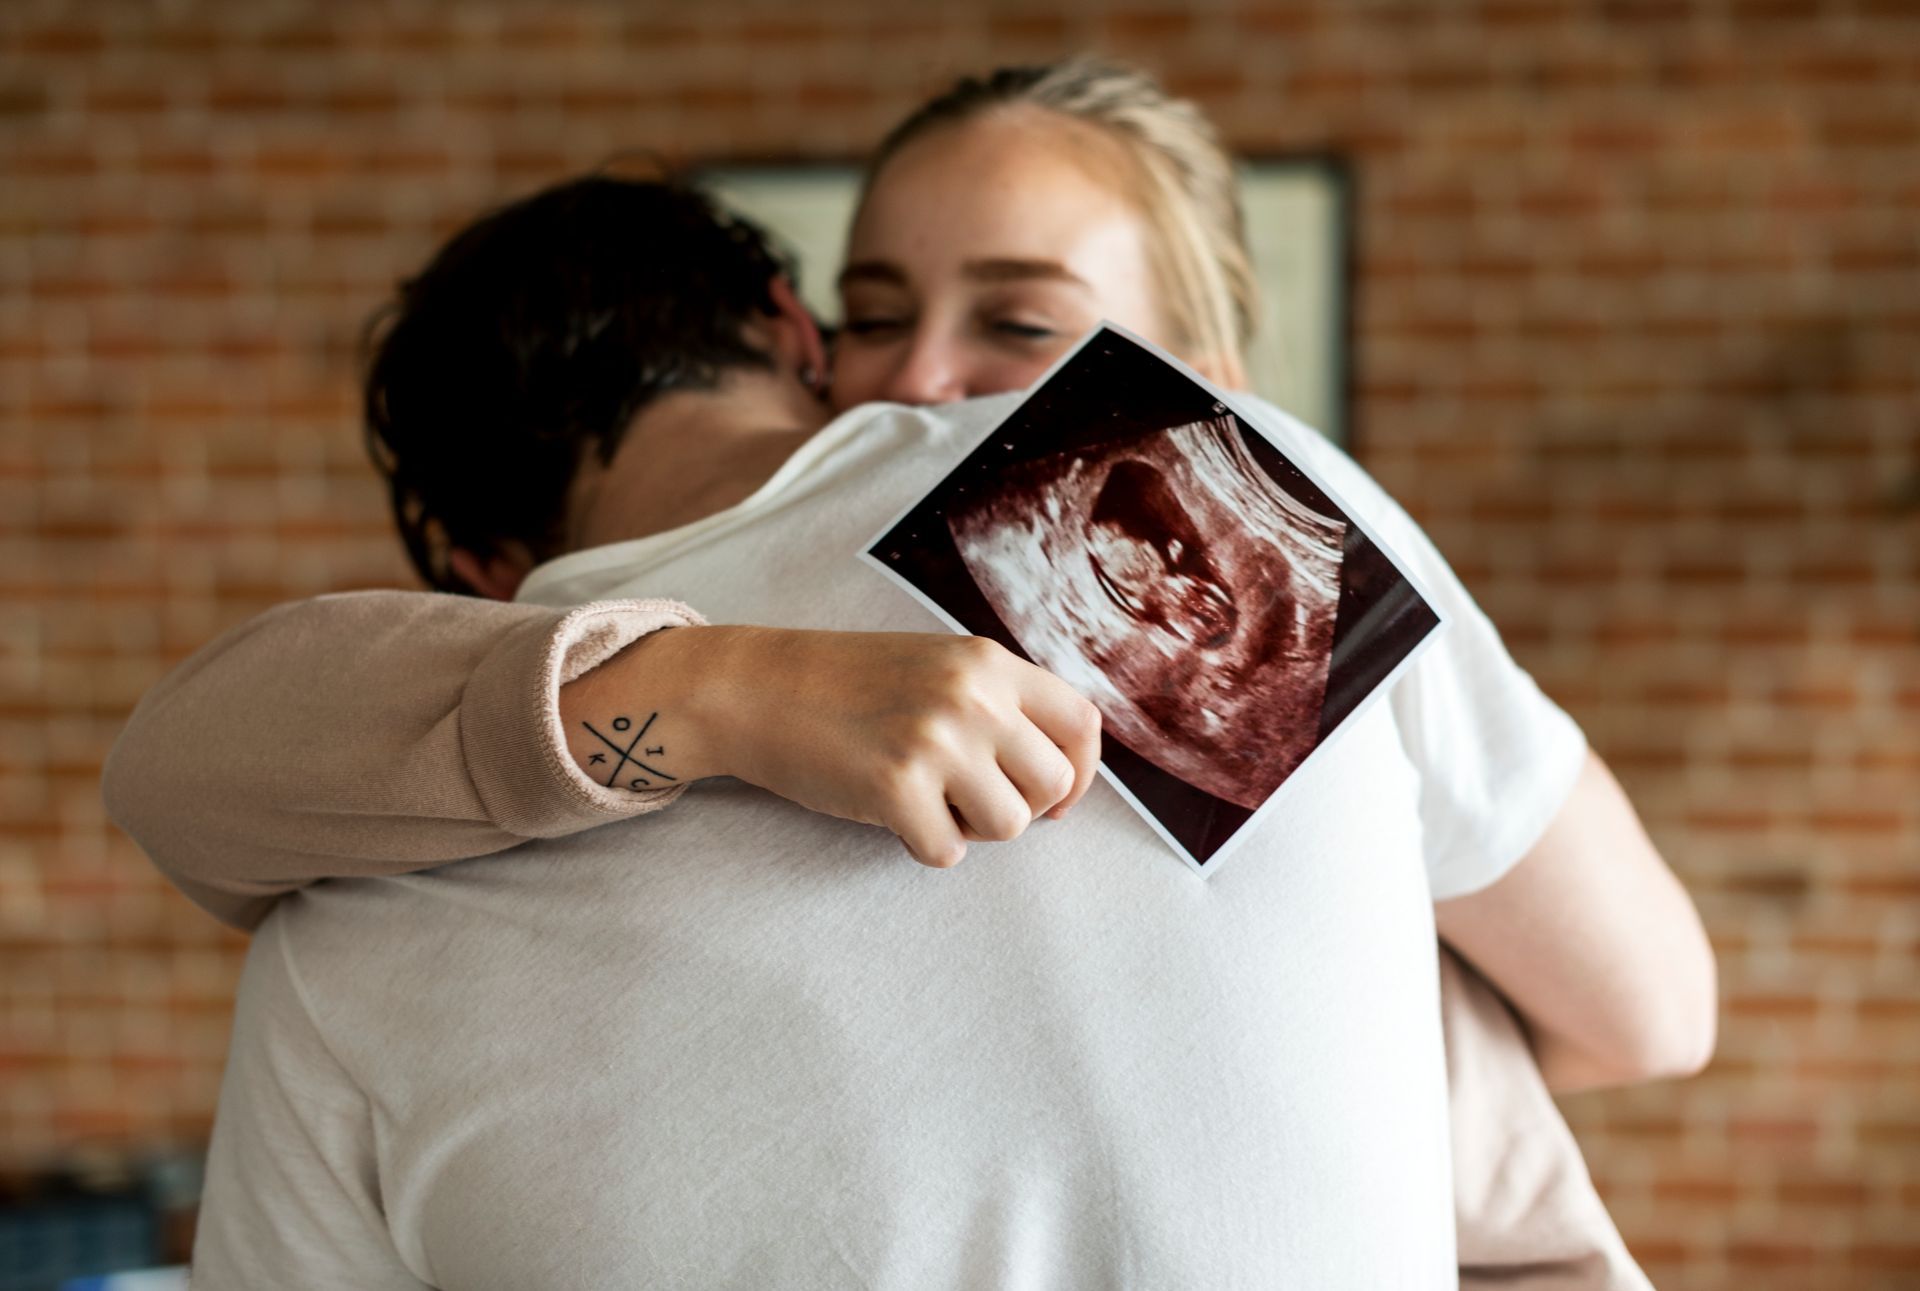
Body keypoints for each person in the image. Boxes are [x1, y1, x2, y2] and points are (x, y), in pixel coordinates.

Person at [103, 63, 1711, 1287]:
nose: (932, 385)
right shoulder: (1159, 498)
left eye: (1016, 323)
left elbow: (173, 774)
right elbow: (1646, 1005)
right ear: (797, 332)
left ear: (463, 561)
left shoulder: (344, 910)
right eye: (885, 317)